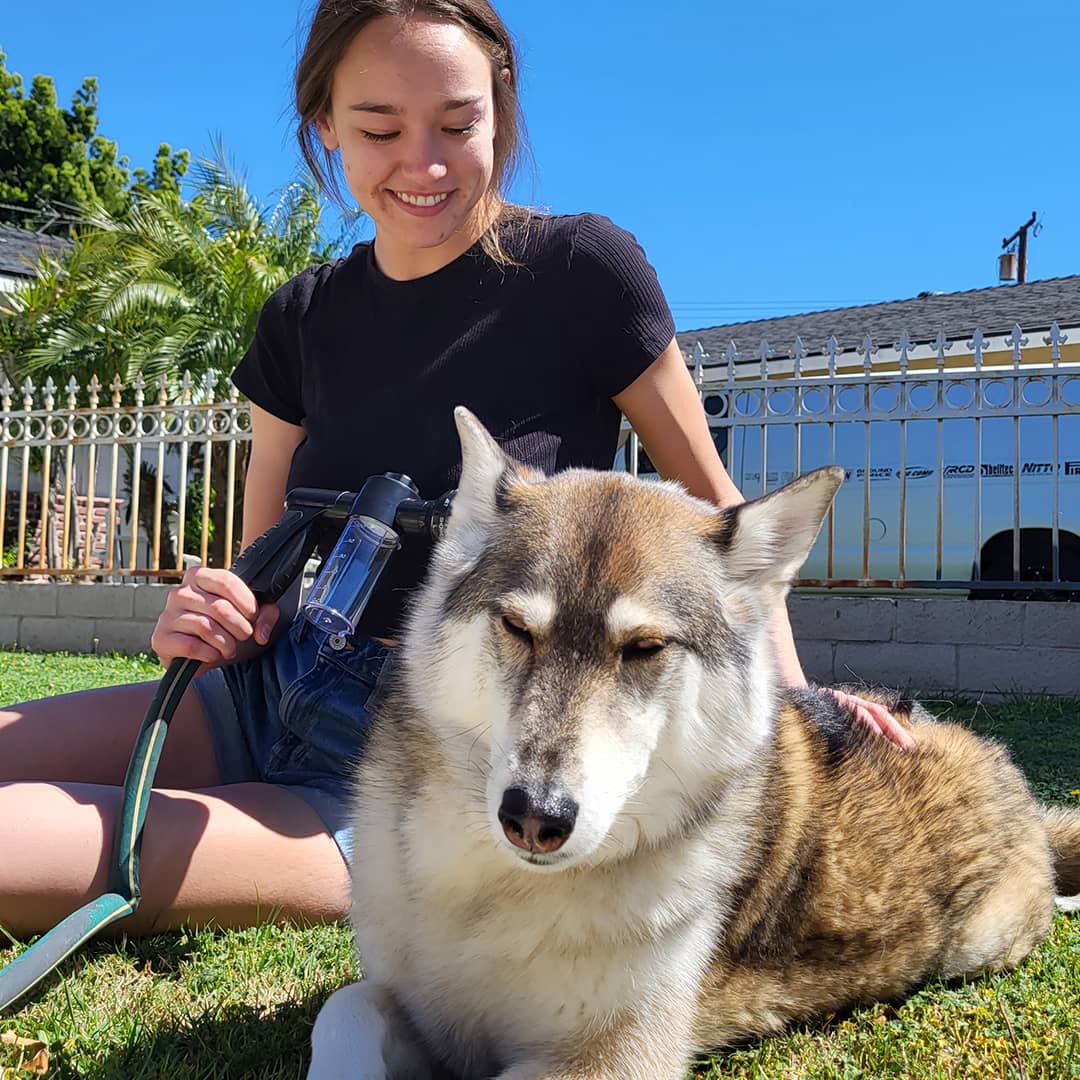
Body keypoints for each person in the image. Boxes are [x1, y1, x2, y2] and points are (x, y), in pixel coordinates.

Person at [0, 0, 915, 941]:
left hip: (433, 760)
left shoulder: (585, 274)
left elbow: (722, 517)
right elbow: (257, 562)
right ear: (324, 129)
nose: (424, 165)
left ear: (501, 106)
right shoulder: (300, 317)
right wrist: (219, 611)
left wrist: (796, 703)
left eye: (457, 123)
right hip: (265, 688)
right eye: (379, 128)